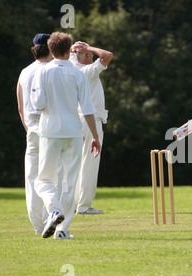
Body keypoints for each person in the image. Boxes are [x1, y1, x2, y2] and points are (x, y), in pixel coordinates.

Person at [31, 32, 101, 239]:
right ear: (69, 49)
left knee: (43, 180)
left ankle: (54, 209)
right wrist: (95, 137)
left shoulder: (42, 72)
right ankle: (62, 230)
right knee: (70, 183)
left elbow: (38, 105)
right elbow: (88, 109)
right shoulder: (78, 74)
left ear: (51, 50)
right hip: (74, 132)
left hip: (50, 132)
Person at [69, 41, 113, 215]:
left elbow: (69, 54)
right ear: (87, 57)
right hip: (90, 121)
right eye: (90, 56)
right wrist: (89, 48)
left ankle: (72, 204)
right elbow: (107, 55)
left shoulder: (71, 68)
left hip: (74, 122)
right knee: (89, 165)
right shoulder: (88, 72)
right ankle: (84, 206)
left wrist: (74, 48)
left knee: (75, 165)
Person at [16, 33, 53, 234]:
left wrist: (29, 129)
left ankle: (38, 226)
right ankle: (52, 216)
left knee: (32, 178)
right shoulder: (51, 70)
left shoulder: (24, 71)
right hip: (50, 127)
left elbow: (21, 107)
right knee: (53, 175)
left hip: (32, 129)